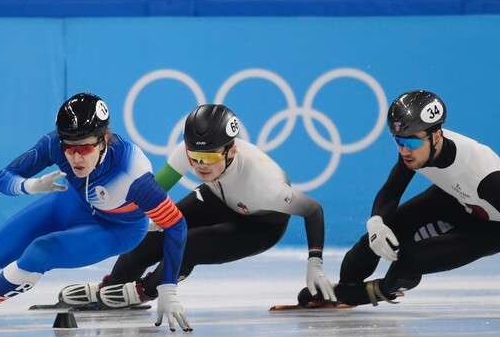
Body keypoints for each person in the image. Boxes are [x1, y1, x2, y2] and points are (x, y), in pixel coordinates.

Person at [0, 92, 191, 331]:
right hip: (73, 202)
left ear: (104, 141)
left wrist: (168, 288)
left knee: (39, 252)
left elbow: (176, 226)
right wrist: (32, 186)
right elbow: (2, 178)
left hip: (118, 228)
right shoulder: (54, 144)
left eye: (85, 148)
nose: (75, 156)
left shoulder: (133, 176)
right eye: (69, 147)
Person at [57, 104, 335, 311]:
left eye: (210, 156)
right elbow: (151, 194)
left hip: (260, 225)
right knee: (154, 230)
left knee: (188, 243)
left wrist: (315, 265)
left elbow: (314, 209)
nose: (201, 165)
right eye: (195, 156)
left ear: (232, 151)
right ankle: (114, 283)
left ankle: (144, 290)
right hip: (218, 197)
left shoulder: (266, 186)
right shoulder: (189, 153)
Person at [300, 90, 500, 318]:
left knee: (409, 261)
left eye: (412, 142)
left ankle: (373, 292)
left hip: (494, 228)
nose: (404, 149)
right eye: (398, 140)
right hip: (455, 198)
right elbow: (392, 190)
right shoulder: (415, 146)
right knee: (379, 237)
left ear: (437, 136)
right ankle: (346, 285)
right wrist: (376, 224)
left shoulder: (482, 175)